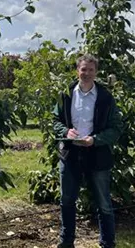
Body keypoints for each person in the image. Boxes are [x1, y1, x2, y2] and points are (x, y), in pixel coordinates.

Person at [53, 54, 123, 248]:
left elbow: (116, 128)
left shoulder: (105, 97)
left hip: (97, 154)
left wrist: (96, 140)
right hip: (70, 154)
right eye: (83, 69)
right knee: (67, 200)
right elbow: (55, 121)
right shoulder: (66, 94)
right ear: (77, 70)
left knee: (103, 203)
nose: (86, 73)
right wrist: (66, 131)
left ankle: (107, 243)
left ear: (96, 72)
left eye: (91, 70)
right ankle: (66, 242)